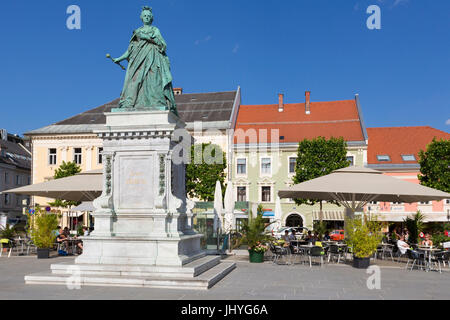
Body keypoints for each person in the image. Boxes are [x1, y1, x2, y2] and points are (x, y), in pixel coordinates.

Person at [112, 6, 177, 114]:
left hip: (152, 58)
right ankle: (131, 102)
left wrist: (146, 37)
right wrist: (119, 58)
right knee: (134, 81)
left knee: (153, 81)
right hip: (138, 61)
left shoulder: (154, 30)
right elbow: (130, 50)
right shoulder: (137, 32)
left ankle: (156, 102)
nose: (146, 17)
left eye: (148, 16)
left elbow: (163, 45)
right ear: (141, 18)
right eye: (145, 16)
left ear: (151, 18)